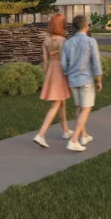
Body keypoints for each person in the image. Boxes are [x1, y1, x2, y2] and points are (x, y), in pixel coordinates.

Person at [61, 14, 102, 152]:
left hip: (73, 80)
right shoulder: (91, 42)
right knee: (86, 109)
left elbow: (63, 64)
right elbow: (96, 62)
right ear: (85, 26)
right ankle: (74, 140)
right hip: (86, 80)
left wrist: (67, 74)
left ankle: (83, 136)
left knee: (79, 108)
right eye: (88, 24)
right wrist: (99, 80)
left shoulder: (67, 43)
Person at [33, 14, 72, 148]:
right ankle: (41, 134)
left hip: (50, 70)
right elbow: (63, 60)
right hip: (59, 71)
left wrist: (47, 74)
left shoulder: (46, 40)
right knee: (56, 105)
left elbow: (45, 62)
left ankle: (66, 130)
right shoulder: (62, 40)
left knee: (61, 103)